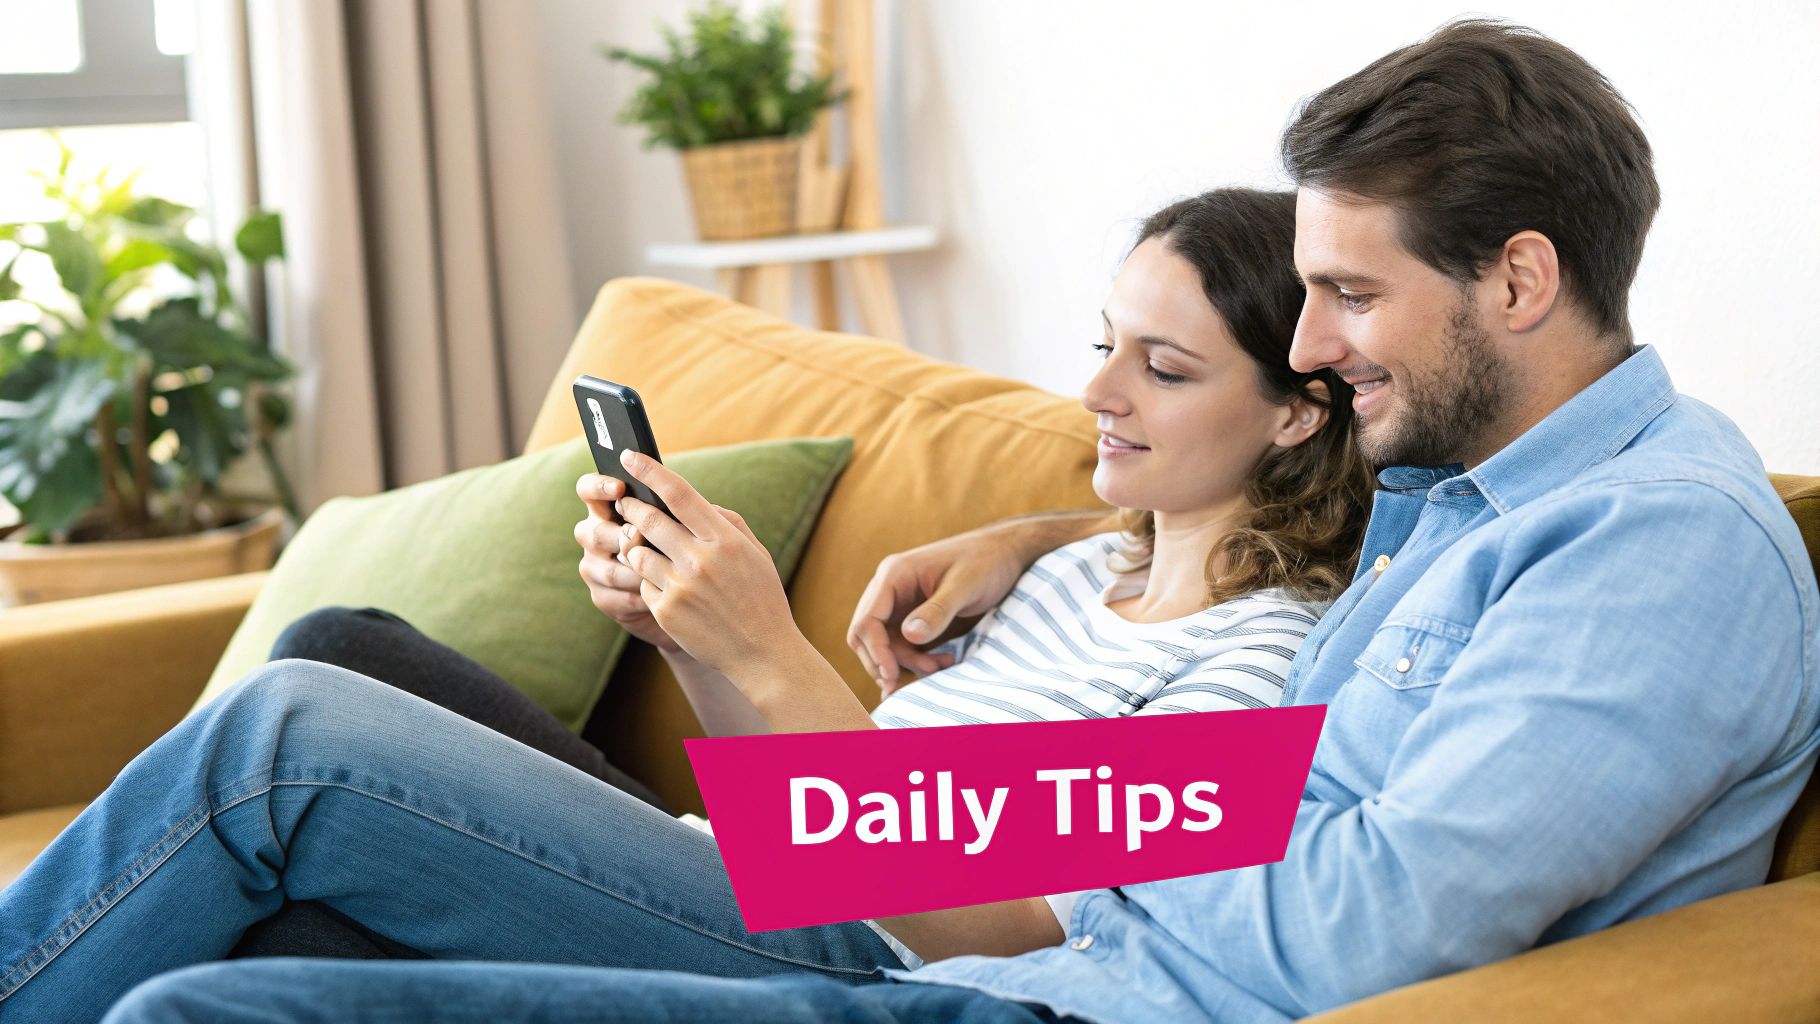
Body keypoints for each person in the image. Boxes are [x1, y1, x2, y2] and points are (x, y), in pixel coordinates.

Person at [88, 16, 1819, 1024]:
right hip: (996, 952)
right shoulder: (1453, 493)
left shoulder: (1656, 551)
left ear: (1520, 277)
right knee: (270, 900)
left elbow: (1374, 911)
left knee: (279, 785)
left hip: (1015, 994)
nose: (1311, 343)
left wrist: (1045, 884)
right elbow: (1257, 722)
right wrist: (1049, 544)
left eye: (1351, 298)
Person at [0, 187, 1376, 1021]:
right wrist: (695, 641)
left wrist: (767, 647)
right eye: (1101, 347)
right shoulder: (1070, 567)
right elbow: (788, 793)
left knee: (284, 740)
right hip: (754, 857)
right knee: (334, 669)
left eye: (1166, 369)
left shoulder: (1264, 661)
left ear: (1298, 419)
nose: (1097, 393)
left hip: (864, 957)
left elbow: (1016, 925)